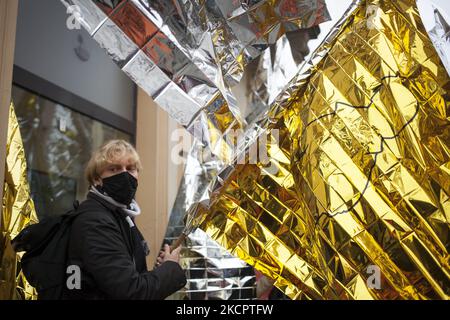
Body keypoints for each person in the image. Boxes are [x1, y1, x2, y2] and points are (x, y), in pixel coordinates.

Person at [63, 139, 186, 299]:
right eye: (114, 169)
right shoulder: (95, 221)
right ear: (96, 179)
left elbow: (128, 279)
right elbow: (131, 292)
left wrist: (162, 270)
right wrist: (170, 267)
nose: (125, 175)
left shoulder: (119, 216)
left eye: (131, 169)